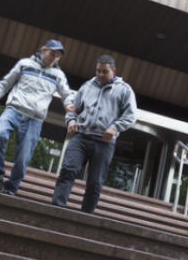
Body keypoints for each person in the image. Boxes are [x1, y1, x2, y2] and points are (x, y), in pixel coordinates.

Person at [0, 40, 74, 196]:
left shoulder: (58, 75)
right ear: (44, 50)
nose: (54, 58)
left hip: (35, 119)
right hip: (14, 110)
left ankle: (11, 187)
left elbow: (67, 94)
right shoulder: (24, 63)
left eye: (58, 57)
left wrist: (68, 106)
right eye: (52, 54)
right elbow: (5, 83)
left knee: (23, 156)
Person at [51, 55, 137, 214]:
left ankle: (85, 218)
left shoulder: (124, 90)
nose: (100, 74)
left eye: (105, 71)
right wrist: (71, 121)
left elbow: (131, 115)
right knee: (68, 169)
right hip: (81, 137)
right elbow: (73, 109)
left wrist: (115, 127)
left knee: (95, 183)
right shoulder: (87, 86)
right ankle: (56, 210)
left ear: (114, 70)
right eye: (98, 70)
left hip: (104, 143)